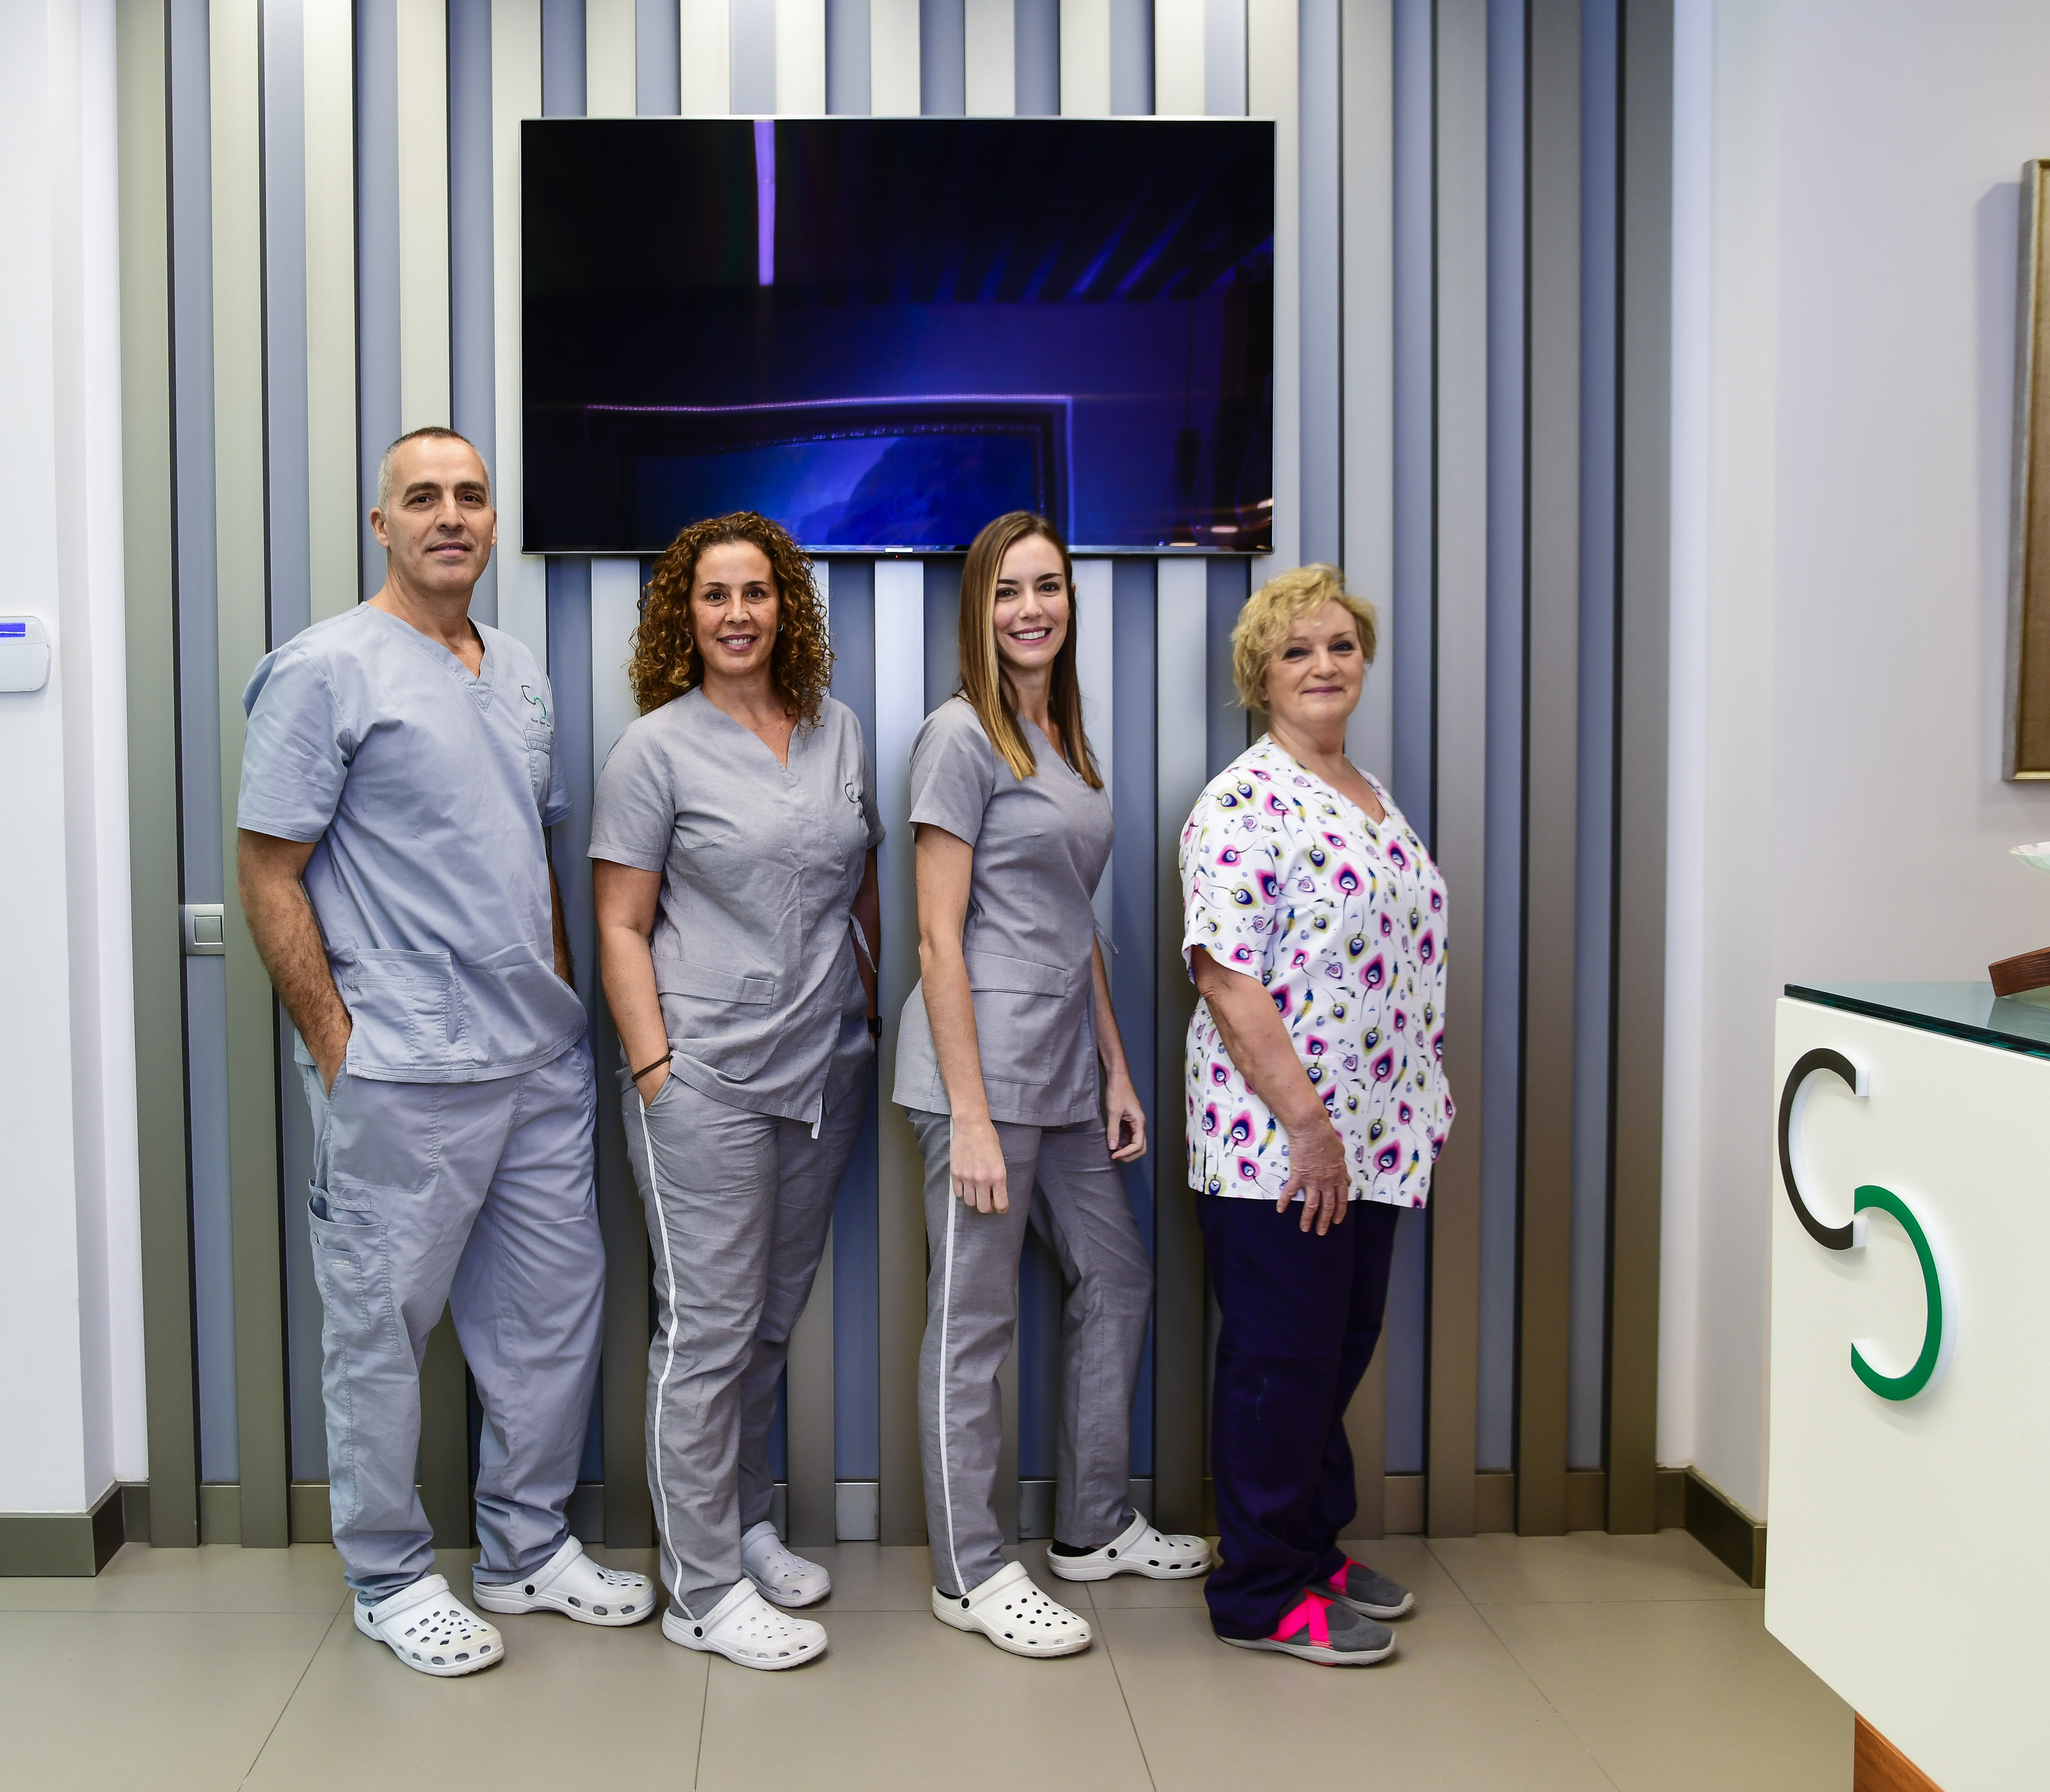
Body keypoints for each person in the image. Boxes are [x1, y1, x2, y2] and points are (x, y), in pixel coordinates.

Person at [235, 426, 654, 1679]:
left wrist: (562, 1002)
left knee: (550, 1317)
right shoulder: (323, 670)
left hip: (534, 1062)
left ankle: (526, 1547)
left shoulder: (514, 671)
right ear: (383, 525)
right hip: (404, 1065)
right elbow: (268, 873)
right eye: (422, 498)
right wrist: (338, 1045)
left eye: (470, 496)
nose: (450, 516)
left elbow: (531, 850)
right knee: (380, 1327)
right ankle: (387, 1574)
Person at [898, 509, 1208, 1661]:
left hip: (1068, 1070)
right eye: (1008, 590)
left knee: (1117, 1279)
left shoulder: (1063, 740)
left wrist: (1116, 1068)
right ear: (978, 609)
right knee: (971, 1321)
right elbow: (937, 938)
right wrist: (971, 1116)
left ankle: (1091, 1527)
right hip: (980, 1073)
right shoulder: (958, 737)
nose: (1032, 609)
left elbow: (1079, 926)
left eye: (1049, 587)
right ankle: (970, 1571)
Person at [592, 512, 884, 1672]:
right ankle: (701, 1588)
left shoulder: (836, 730)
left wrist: (865, 1010)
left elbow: (858, 880)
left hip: (824, 1071)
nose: (737, 614)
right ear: (685, 614)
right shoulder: (654, 751)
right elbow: (620, 925)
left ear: (785, 606)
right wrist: (655, 1070)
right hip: (704, 1077)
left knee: (765, 1321)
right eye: (713, 595)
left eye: (755, 592)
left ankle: (745, 1523)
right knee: (706, 1332)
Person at [1179, 564, 1451, 1669]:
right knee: (1279, 1365)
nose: (1324, 665)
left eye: (1340, 645)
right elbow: (1227, 978)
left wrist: (1370, 1127)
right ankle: (1257, 1591)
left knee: (1334, 1354)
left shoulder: (1365, 791)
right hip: (1283, 1147)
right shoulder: (1242, 803)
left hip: (1375, 1138)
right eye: (1297, 651)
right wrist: (1309, 1128)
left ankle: (1307, 1548)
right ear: (1261, 677)